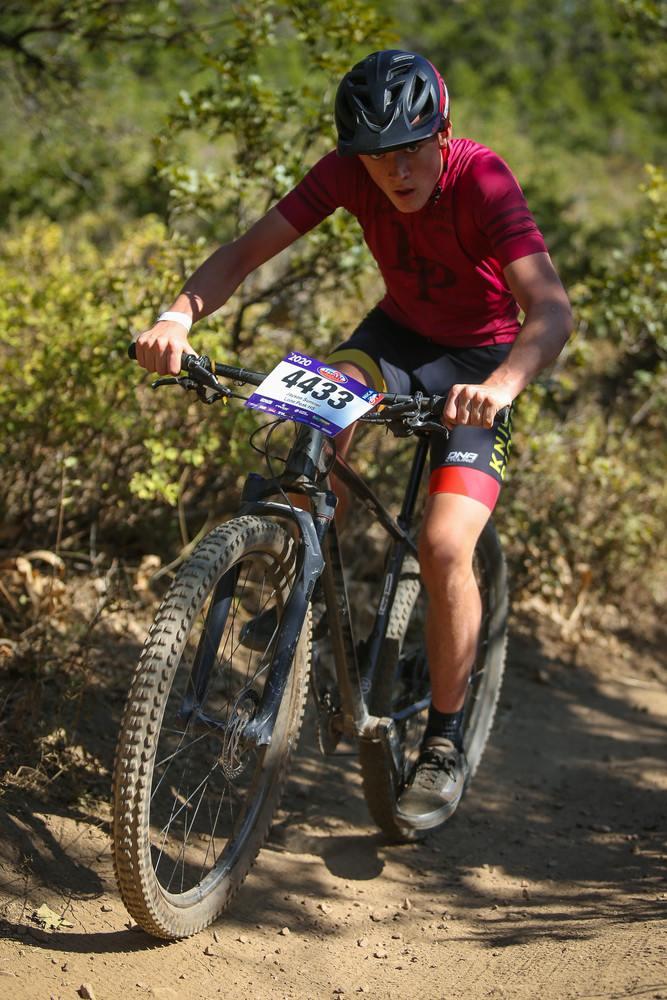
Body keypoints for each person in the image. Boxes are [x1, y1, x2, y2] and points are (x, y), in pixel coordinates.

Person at [134, 49, 572, 828]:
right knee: (311, 426)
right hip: (391, 340)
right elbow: (242, 252)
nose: (395, 171)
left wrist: (503, 386)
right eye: (376, 156)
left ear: (442, 135)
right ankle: (296, 587)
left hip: (480, 365)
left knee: (443, 546)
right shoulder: (345, 174)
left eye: (410, 150)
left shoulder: (482, 178)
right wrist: (176, 317)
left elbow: (551, 310)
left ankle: (442, 742)